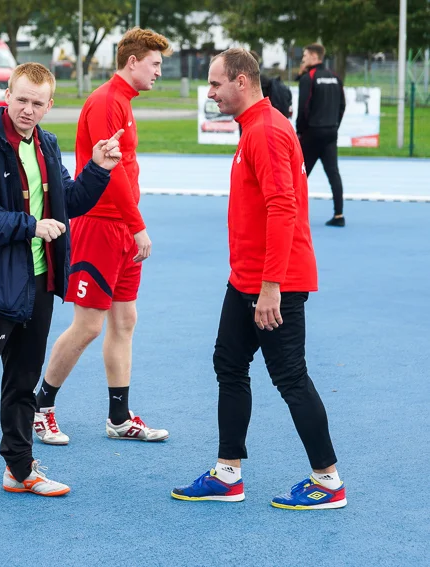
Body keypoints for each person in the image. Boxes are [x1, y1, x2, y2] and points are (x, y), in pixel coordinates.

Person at [0, 62, 123, 512]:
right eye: (20, 99)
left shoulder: (47, 143)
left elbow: (68, 203)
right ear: (7, 93)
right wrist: (29, 227)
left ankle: (19, 468)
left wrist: (98, 170)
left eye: (37, 103)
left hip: (39, 284)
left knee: (23, 382)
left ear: (49, 105)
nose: (27, 109)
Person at [172, 48, 345, 510]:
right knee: (228, 364)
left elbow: (282, 207)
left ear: (242, 82)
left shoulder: (266, 131)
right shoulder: (254, 127)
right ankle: (228, 473)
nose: (210, 93)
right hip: (246, 280)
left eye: (215, 84)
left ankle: (328, 482)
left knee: (290, 377)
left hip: (275, 284)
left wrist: (271, 286)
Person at [33, 28, 171, 447]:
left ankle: (118, 416)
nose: (159, 72)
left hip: (122, 228)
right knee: (89, 324)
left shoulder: (124, 103)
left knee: (125, 319)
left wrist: (133, 225)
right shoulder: (106, 103)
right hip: (100, 227)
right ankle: (41, 407)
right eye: (155, 64)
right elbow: (106, 176)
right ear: (133, 62)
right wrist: (138, 225)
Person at [297, 43, 347, 227]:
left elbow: (304, 107)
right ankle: (339, 214)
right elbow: (342, 105)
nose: (303, 59)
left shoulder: (308, 78)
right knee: (333, 173)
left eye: (304, 55)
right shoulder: (335, 77)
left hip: (311, 133)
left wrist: (300, 130)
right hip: (330, 132)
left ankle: (292, 215)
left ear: (313, 56)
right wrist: (334, 126)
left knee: (298, 174)